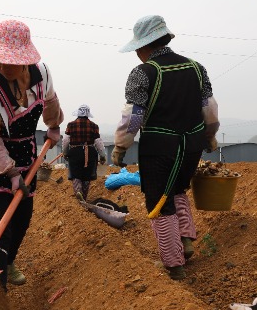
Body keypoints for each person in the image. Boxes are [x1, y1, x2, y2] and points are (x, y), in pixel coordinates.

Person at [112, 15, 219, 280]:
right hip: (191, 145)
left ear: (144, 46)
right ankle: (185, 241)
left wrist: (120, 147)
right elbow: (210, 108)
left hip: (160, 148)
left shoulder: (144, 72)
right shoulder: (196, 68)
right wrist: (210, 136)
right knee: (178, 189)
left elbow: (134, 115)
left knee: (159, 200)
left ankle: (174, 264)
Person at [0, 20, 64, 288]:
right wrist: (10, 173)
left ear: (23, 60)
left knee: (22, 220)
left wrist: (54, 125)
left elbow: (52, 102)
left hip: (25, 154)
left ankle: (8, 262)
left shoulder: (42, 74)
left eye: (7, 60)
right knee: (1, 229)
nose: (0, 65)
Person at [62, 104, 106, 201]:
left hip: (75, 152)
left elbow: (65, 140)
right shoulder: (94, 126)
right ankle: (84, 197)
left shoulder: (71, 125)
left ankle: (78, 190)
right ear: (88, 114)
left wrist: (65, 152)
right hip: (90, 153)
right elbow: (98, 142)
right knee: (87, 176)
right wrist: (102, 156)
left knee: (75, 174)